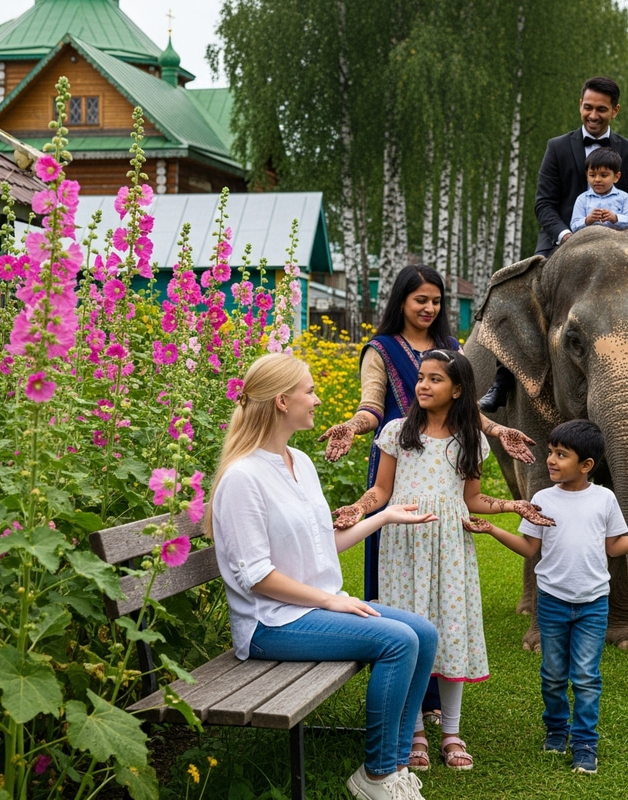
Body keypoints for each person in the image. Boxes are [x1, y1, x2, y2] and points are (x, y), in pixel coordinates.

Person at [205, 353, 440, 800]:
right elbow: (257, 577)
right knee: (398, 640)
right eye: (309, 391)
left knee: (423, 633)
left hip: (306, 610)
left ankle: (392, 764)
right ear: (280, 401)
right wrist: (329, 600)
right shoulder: (243, 478)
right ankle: (375, 775)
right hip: (271, 623)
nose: (316, 399)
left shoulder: (300, 463)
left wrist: (384, 517)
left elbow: (320, 545)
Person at [332, 350, 555, 772]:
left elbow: (472, 500)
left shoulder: (469, 440)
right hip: (403, 546)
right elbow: (381, 491)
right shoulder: (397, 432)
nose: (423, 385)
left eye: (435, 379)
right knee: (409, 634)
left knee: (451, 632)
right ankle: (415, 731)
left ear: (458, 390)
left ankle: (451, 732)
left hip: (451, 548)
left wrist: (513, 505)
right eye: (421, 377)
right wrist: (360, 508)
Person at [462, 419, 628, 775]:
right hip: (550, 602)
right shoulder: (540, 499)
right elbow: (528, 548)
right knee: (552, 675)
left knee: (585, 676)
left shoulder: (605, 499)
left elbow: (614, 547)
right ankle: (556, 729)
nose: (550, 460)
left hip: (593, 605)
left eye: (561, 455)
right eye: (551, 452)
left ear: (586, 465)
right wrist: (491, 529)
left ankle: (584, 743)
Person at [480, 76, 628, 415]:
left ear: (614, 110)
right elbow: (544, 204)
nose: (593, 115)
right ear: (580, 106)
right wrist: (566, 235)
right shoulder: (557, 147)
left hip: (623, 245)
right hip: (564, 243)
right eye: (588, 107)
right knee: (522, 294)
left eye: (601, 109)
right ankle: (503, 380)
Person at [320, 264, 537, 601]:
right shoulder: (381, 349)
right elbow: (372, 408)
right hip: (400, 453)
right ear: (401, 301)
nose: (429, 309)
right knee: (393, 554)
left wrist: (496, 430)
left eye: (436, 301)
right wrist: (351, 426)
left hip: (447, 453)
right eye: (420, 300)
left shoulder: (449, 345)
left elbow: (465, 403)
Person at [569, 147, 628, 232]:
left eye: (604, 175)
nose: (597, 179)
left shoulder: (624, 197)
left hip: (618, 240)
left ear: (616, 177)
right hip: (589, 241)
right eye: (592, 175)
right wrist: (587, 220)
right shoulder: (582, 199)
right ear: (587, 175)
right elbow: (574, 226)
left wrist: (616, 218)